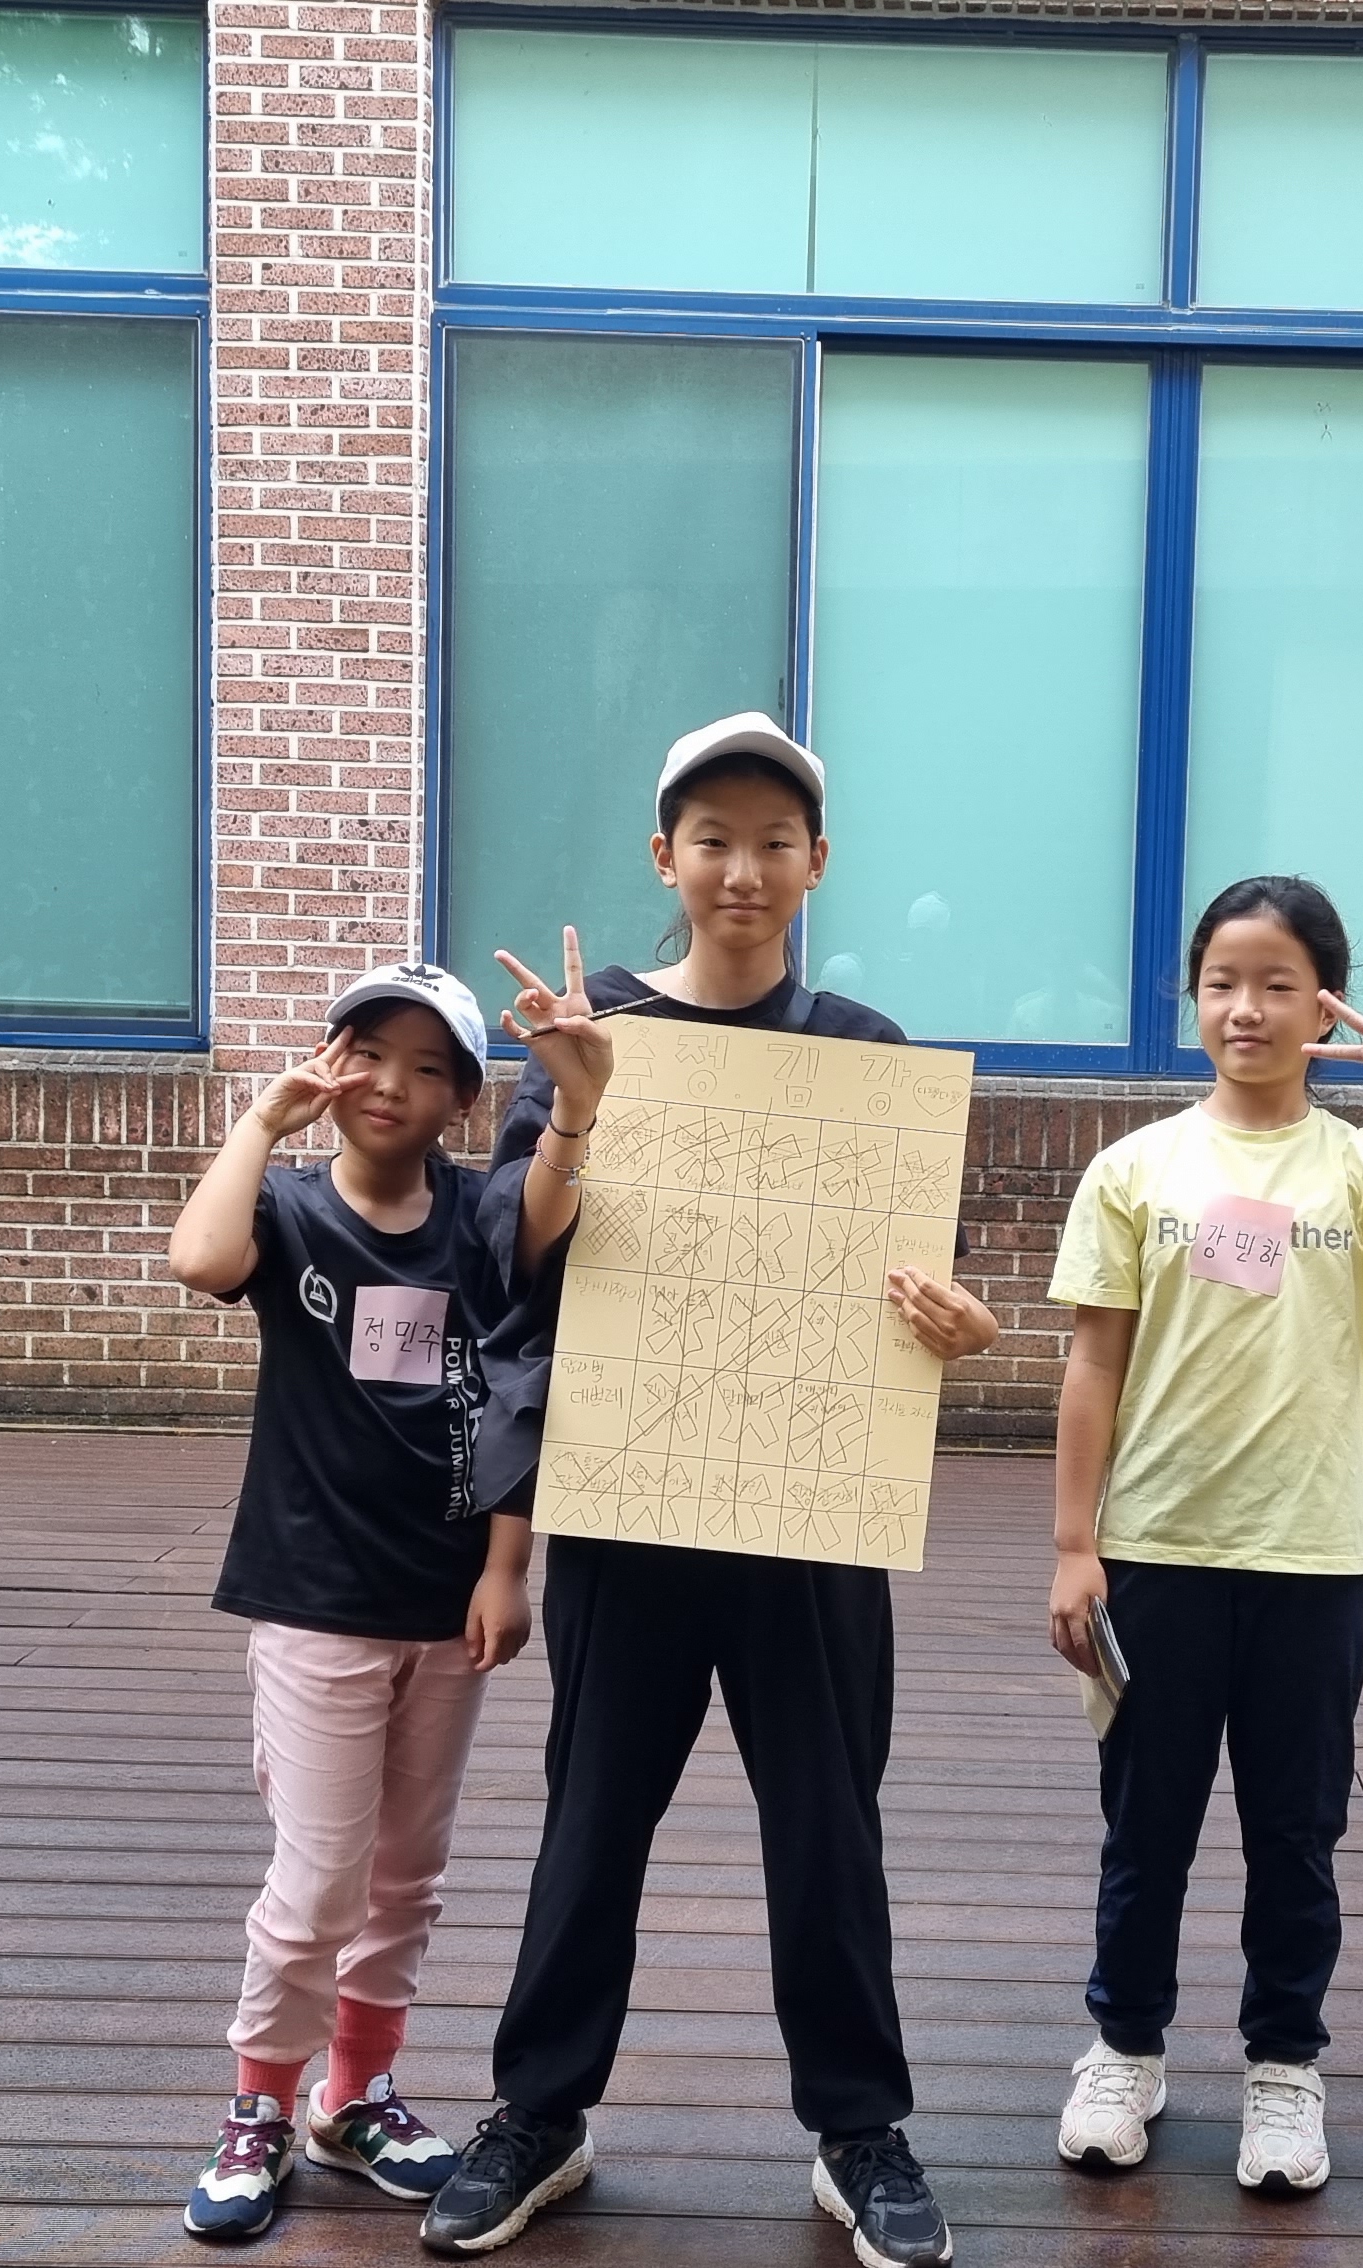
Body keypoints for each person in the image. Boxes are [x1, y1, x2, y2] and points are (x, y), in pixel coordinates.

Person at [417, 714, 1000, 2268]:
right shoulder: (592, 1026)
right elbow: (512, 1257)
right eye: (714, 839)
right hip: (631, 1495)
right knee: (592, 1820)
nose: (744, 869)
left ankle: (859, 2128)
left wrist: (957, 1323)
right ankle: (540, 2111)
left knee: (828, 1827)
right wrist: (579, 1106)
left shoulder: (866, 1053)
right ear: (663, 856)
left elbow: (915, 1280)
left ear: (818, 862)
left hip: (810, 1508)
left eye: (774, 842)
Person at [1038, 875, 1363, 2196]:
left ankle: (1285, 2067)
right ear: (1191, 997)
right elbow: (1092, 1365)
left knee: (1296, 1832)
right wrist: (1072, 1544)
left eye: (1279, 984)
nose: (1248, 1008)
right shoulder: (1136, 1168)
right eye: (1224, 981)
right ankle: (1125, 2049)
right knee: (1145, 1828)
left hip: (1312, 1560)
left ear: (1323, 1006)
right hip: (1158, 1552)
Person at [170, 960, 608, 2244]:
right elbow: (201, 1258)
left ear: (463, 1101)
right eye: (369, 1054)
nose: (392, 1086)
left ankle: (353, 2097)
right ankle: (258, 2104)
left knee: (407, 1874)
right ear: (332, 1061)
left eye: (429, 1069)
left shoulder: (478, 1220)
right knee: (319, 1876)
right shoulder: (291, 1210)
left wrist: (506, 1568)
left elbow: (523, 1387)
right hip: (314, 1599)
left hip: (445, 1606)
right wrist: (264, 1121)